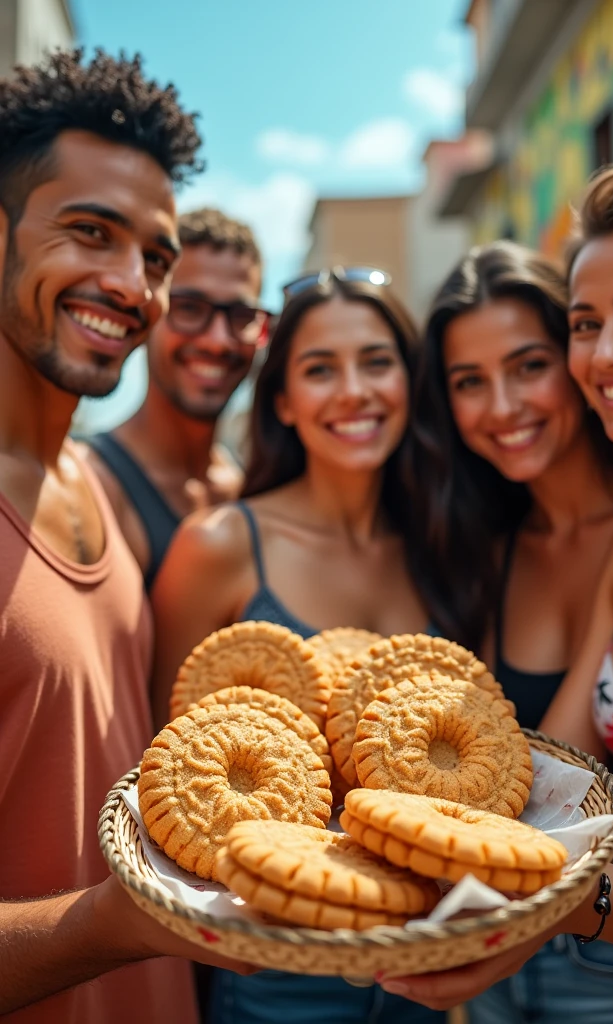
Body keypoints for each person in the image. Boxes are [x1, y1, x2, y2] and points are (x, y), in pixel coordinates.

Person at [376, 158, 613, 1020]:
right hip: (561, 956)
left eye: (529, 364)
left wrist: (553, 903)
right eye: (469, 382)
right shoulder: (535, 548)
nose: (503, 406)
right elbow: (532, 782)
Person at [0, 48, 253, 1022]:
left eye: (154, 256)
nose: (132, 284)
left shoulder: (95, 491)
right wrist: (124, 921)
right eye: (90, 233)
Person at [151, 266, 446, 1023]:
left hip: (421, 967)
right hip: (271, 974)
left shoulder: (443, 543)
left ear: (409, 381)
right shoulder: (219, 545)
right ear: (282, 400)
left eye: (377, 361)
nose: (354, 391)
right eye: (320, 369)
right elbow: (163, 772)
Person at [80, 208, 268, 589]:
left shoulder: (250, 489)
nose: (217, 340)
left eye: (240, 315)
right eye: (189, 309)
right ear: (151, 312)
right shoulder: (90, 485)